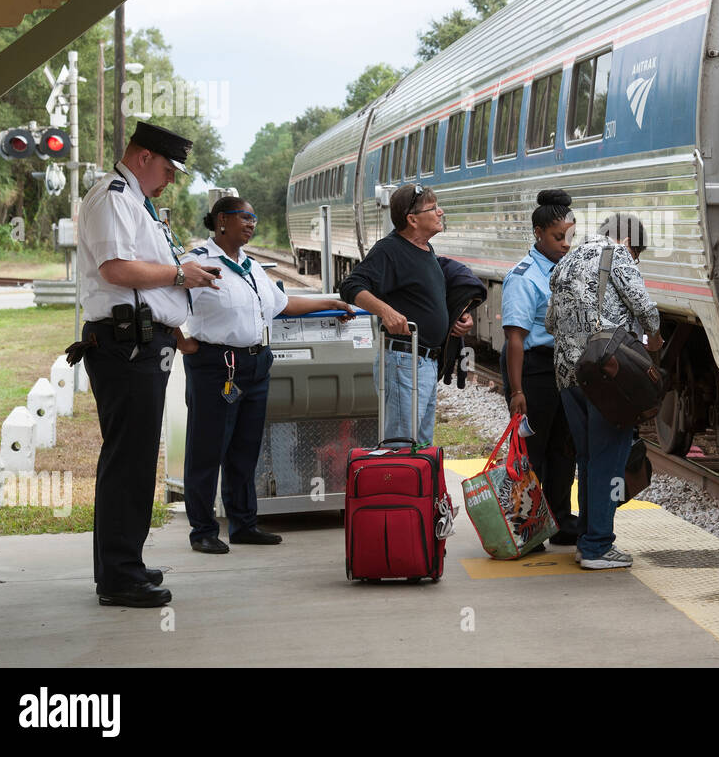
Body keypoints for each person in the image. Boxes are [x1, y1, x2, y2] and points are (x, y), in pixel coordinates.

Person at [70, 121, 221, 608]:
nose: (171, 179)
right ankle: (118, 576)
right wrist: (182, 273)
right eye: (168, 168)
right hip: (124, 346)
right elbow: (116, 269)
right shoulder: (114, 196)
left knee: (134, 460)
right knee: (128, 462)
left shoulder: (135, 200)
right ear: (142, 157)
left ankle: (124, 563)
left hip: (138, 344)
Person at [178, 196, 351, 555]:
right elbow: (161, 302)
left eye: (255, 218)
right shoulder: (196, 263)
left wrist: (329, 302)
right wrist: (182, 342)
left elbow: (282, 304)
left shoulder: (252, 267)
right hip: (216, 365)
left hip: (256, 365)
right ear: (222, 220)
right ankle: (203, 530)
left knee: (245, 449)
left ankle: (243, 524)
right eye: (245, 217)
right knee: (207, 448)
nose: (251, 223)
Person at [546, 213, 663, 570]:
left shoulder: (565, 262)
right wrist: (654, 340)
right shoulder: (618, 255)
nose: (636, 259)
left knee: (587, 459)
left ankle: (587, 537)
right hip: (607, 376)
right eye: (638, 254)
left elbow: (550, 321)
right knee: (610, 460)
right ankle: (598, 546)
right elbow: (645, 308)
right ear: (629, 242)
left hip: (568, 375)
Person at [339, 184, 474, 447]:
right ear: (412, 219)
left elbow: (423, 298)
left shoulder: (425, 250)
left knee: (420, 445)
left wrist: (456, 319)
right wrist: (385, 311)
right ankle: (396, 488)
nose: (440, 211)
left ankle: (419, 489)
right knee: (401, 445)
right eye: (433, 208)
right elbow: (351, 285)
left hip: (423, 361)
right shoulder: (389, 249)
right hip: (404, 360)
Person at [501, 189, 579, 549]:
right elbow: (515, 338)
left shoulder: (568, 271)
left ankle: (560, 519)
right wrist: (517, 392)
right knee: (532, 451)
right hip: (533, 372)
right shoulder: (524, 276)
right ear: (538, 233)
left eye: (570, 236)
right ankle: (527, 525)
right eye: (557, 237)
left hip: (564, 371)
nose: (566, 244)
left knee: (564, 449)